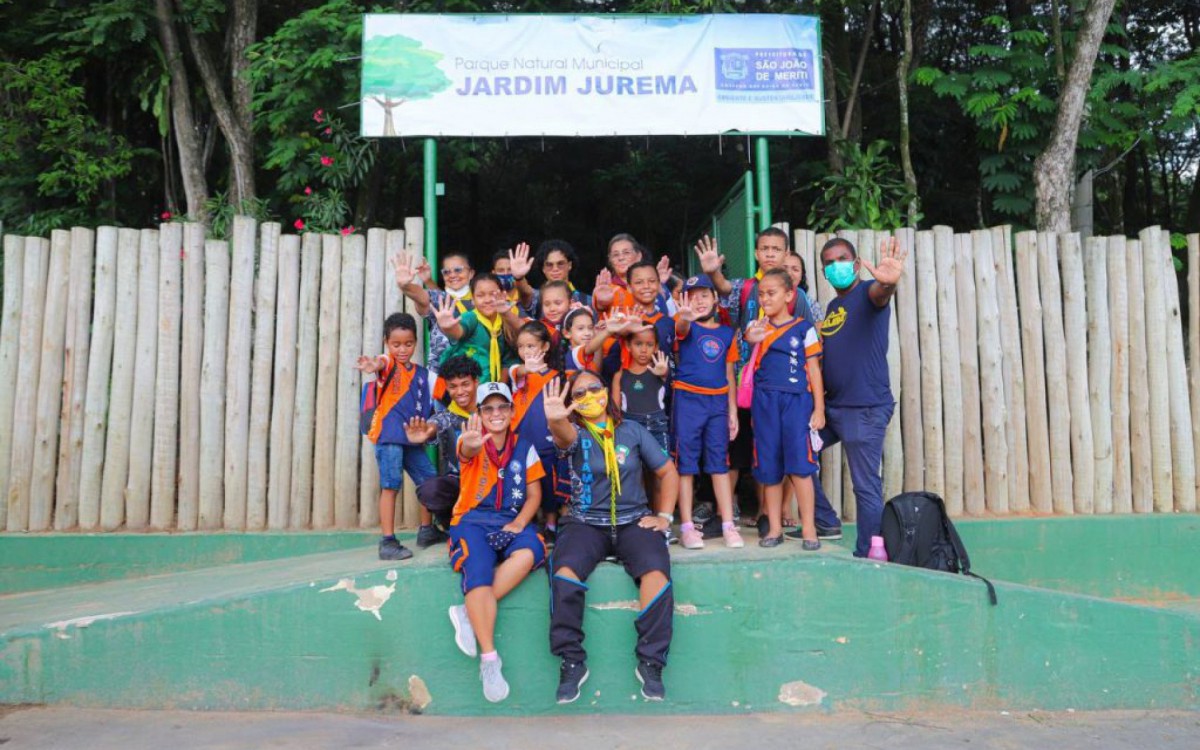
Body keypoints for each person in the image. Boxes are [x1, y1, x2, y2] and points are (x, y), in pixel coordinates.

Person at [544, 373, 680, 703]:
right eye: (580, 393)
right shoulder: (575, 432)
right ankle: (572, 660)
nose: (589, 395)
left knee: (657, 574)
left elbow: (667, 472)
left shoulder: (632, 431)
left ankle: (650, 661)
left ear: (606, 391)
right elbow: (563, 437)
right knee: (564, 573)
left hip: (635, 521)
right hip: (585, 524)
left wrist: (664, 516)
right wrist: (554, 419)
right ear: (572, 402)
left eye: (594, 388)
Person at [802, 237, 906, 556]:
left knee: (864, 485)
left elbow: (880, 294)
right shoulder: (834, 307)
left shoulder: (867, 294)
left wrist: (887, 284)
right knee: (796, 449)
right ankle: (824, 518)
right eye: (829, 263)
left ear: (857, 264)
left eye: (842, 259)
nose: (836, 266)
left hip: (864, 408)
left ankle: (870, 551)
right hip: (833, 408)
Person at [444, 382, 546, 703]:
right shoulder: (470, 439)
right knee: (478, 570)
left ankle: (467, 612)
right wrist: (470, 444)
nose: (496, 414)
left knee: (531, 551)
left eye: (502, 407)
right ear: (479, 414)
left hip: (509, 519)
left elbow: (534, 495)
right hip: (472, 519)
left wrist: (518, 523)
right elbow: (466, 451)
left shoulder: (524, 446)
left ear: (512, 412)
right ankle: (489, 660)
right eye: (488, 408)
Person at [742, 269, 825, 549]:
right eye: (761, 293)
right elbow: (745, 361)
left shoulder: (804, 328)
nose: (765, 298)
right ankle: (774, 529)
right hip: (764, 403)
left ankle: (809, 530)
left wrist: (819, 409)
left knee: (801, 468)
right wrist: (750, 339)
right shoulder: (756, 328)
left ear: (789, 295)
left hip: (797, 403)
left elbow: (814, 369)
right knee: (769, 467)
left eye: (772, 293)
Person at [354, 313, 439, 559]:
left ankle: (427, 530)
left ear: (416, 343)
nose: (402, 349)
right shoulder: (388, 364)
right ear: (386, 343)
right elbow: (380, 363)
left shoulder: (423, 374)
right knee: (390, 486)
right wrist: (373, 365)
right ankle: (388, 542)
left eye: (409, 344)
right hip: (389, 437)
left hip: (412, 439)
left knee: (429, 480)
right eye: (396, 344)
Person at [671, 276, 743, 550]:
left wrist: (732, 411)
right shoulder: (686, 327)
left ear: (716, 298)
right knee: (686, 463)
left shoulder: (727, 333)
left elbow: (729, 374)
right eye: (692, 296)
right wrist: (684, 317)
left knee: (719, 463)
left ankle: (728, 525)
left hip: (718, 404)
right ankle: (688, 526)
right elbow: (680, 326)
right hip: (688, 400)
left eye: (704, 295)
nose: (698, 301)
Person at [403, 356, 482, 529]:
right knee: (430, 490)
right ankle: (449, 521)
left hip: (492, 480)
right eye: (453, 386)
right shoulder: (445, 416)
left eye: (465, 384)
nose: (460, 391)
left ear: (476, 382)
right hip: (460, 482)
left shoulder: (491, 409)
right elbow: (434, 426)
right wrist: (427, 433)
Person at [510, 321, 570, 539]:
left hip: (546, 440)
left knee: (548, 482)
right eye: (521, 347)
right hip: (521, 439)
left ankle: (551, 523)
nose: (525, 351)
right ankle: (529, 522)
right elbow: (515, 372)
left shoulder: (557, 375)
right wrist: (527, 369)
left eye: (531, 346)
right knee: (524, 483)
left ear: (545, 347)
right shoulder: (518, 373)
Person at [392, 251, 475, 374]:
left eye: (458, 270)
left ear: (471, 273)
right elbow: (422, 296)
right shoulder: (438, 298)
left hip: (477, 375)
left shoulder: (483, 300)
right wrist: (405, 286)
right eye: (446, 272)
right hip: (440, 377)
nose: (452, 275)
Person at [431, 273, 520, 383]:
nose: (487, 300)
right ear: (472, 299)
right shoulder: (471, 317)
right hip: (467, 389)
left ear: (503, 295)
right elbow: (459, 332)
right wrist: (448, 328)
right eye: (480, 295)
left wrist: (499, 390)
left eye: (492, 294)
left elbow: (507, 361)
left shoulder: (505, 321)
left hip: (492, 392)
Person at [611, 328, 671, 454]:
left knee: (663, 468)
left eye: (649, 345)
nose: (644, 350)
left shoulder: (659, 370)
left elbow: (664, 373)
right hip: (630, 427)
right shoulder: (620, 376)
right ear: (628, 346)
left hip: (657, 426)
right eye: (638, 344)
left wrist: (664, 372)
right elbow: (615, 410)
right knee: (633, 468)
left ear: (656, 347)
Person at [517, 239, 592, 316]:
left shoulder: (588, 301)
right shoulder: (537, 298)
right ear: (543, 269)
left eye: (560, 264)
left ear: (569, 265)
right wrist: (519, 278)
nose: (555, 269)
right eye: (549, 265)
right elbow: (525, 294)